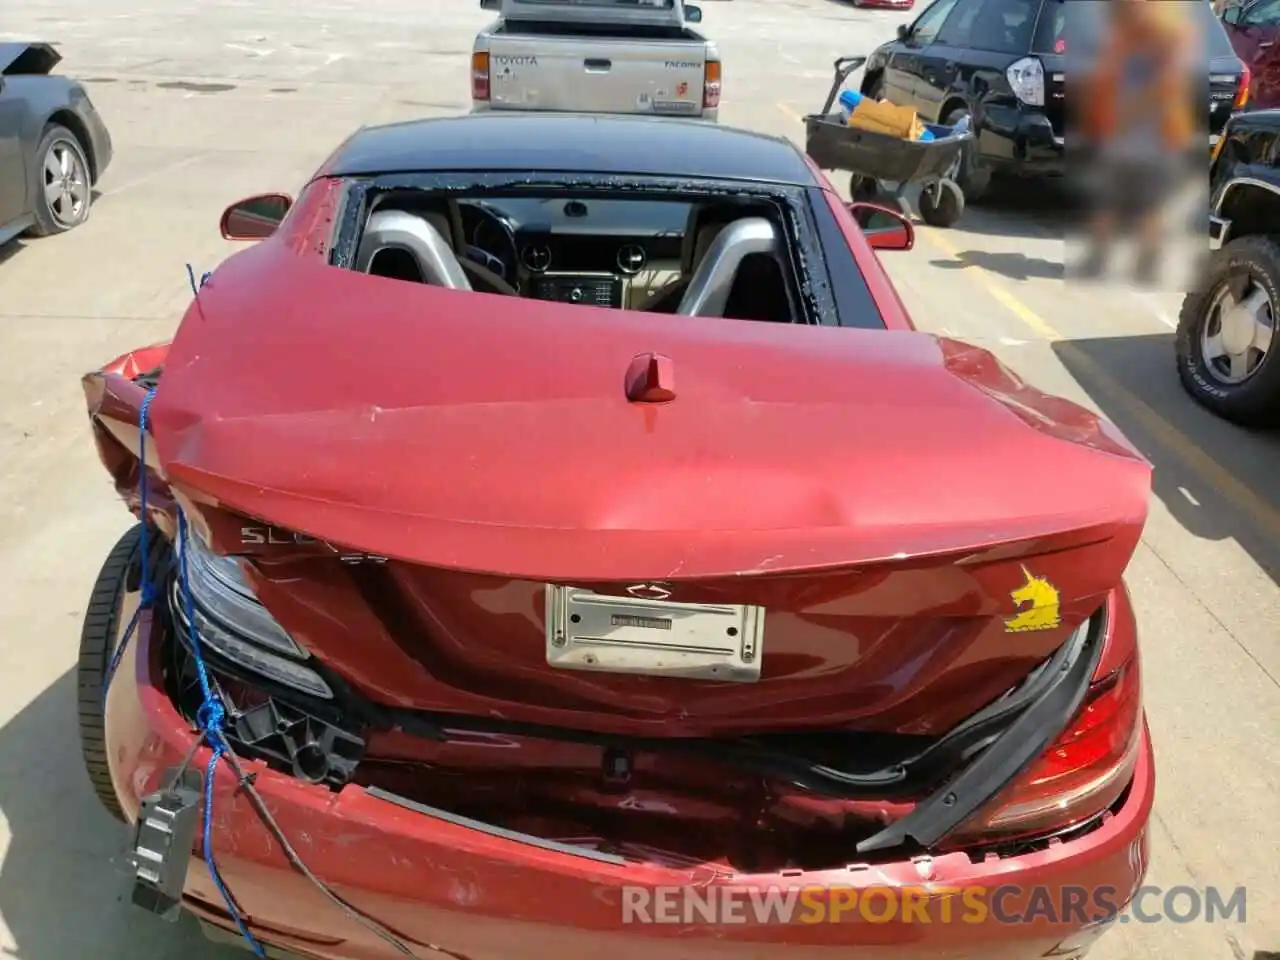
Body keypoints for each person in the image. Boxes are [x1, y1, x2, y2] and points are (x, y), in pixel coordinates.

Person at [1075, 0, 1198, 285]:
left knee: (1149, 204)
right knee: (1108, 200)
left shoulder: (1168, 38)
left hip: (1156, 139)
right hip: (1121, 139)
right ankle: (1099, 257)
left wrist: (1128, 113)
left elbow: (1166, 86)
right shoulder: (1122, 39)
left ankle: (1146, 261)